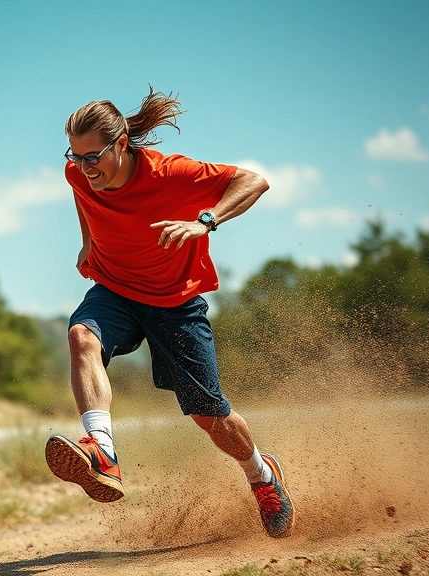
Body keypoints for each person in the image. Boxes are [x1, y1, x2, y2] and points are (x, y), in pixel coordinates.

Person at [44, 86, 296, 538]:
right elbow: (84, 196)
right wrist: (88, 242)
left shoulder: (170, 173)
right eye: (76, 156)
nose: (84, 167)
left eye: (93, 156)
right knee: (81, 336)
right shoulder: (78, 174)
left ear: (121, 144)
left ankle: (262, 474)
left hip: (174, 302)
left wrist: (204, 221)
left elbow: (254, 181)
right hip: (115, 289)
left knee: (211, 418)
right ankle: (102, 450)